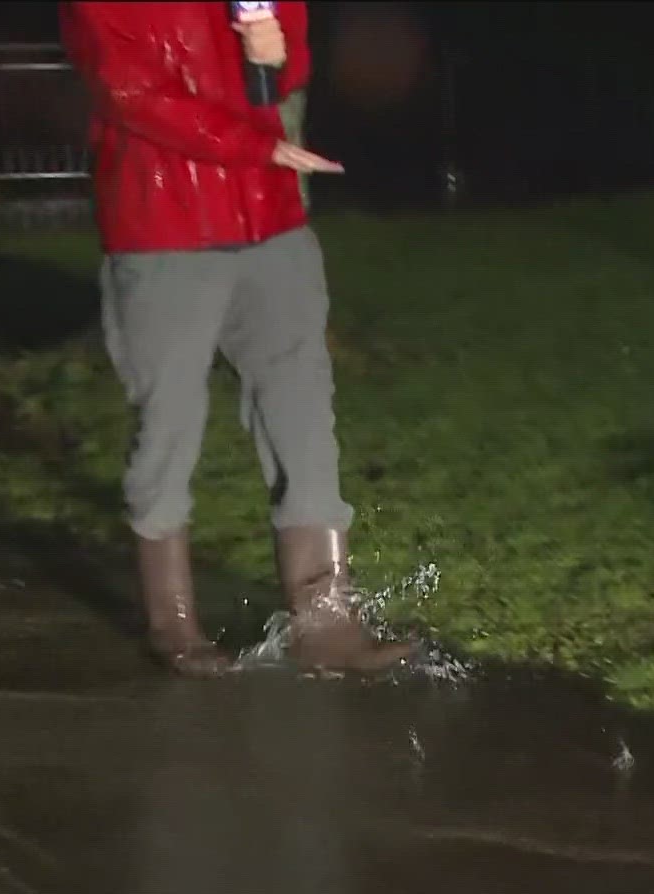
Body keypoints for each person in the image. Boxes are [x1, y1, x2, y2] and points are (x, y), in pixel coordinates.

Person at [61, 1, 415, 677]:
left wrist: (275, 51)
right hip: (163, 227)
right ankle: (173, 621)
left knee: (302, 408)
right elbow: (131, 93)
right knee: (170, 418)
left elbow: (287, 77)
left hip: (273, 225)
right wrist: (256, 146)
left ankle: (328, 621)